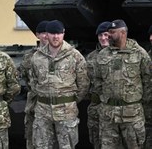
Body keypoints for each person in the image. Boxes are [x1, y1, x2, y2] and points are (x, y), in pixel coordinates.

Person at [30, 20, 89, 149]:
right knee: (41, 146)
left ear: (63, 33)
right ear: (47, 34)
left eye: (58, 33)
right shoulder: (37, 56)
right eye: (52, 33)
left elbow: (83, 84)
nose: (55, 37)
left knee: (67, 146)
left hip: (66, 111)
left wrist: (69, 101)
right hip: (43, 111)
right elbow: (33, 82)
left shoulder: (74, 56)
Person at [94, 19, 152, 149]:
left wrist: (139, 104)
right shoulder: (103, 54)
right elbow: (97, 80)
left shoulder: (139, 54)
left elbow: (147, 82)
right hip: (108, 116)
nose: (108, 35)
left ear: (123, 33)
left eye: (112, 32)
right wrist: (104, 99)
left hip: (132, 115)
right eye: (108, 32)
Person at [18, 20, 48, 149]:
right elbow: (25, 77)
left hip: (56, 107)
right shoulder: (29, 57)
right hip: (33, 104)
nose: (47, 36)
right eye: (43, 33)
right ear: (37, 35)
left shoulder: (65, 56)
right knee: (32, 138)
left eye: (50, 33)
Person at [85, 21, 110, 149]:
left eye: (106, 34)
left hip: (115, 110)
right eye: (100, 35)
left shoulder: (123, 54)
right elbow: (83, 82)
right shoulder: (91, 58)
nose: (103, 38)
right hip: (95, 109)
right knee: (97, 143)